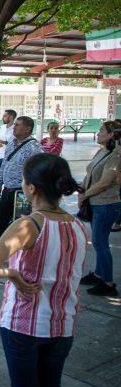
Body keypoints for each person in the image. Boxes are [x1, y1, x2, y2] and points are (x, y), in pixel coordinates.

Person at [0, 153, 87, 387]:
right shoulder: (77, 226)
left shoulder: (28, 225)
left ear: (31, 188)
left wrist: (13, 274)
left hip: (23, 325)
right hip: (63, 324)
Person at [78, 120, 121, 297]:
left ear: (111, 135)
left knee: (100, 243)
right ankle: (98, 274)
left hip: (106, 204)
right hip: (96, 203)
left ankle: (108, 282)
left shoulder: (115, 157)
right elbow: (89, 174)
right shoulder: (101, 151)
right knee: (97, 242)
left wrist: (85, 194)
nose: (98, 133)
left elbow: (104, 183)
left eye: (102, 130)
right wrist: (81, 190)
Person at [0, 116, 44, 245]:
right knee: (0, 221)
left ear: (27, 129)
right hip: (7, 190)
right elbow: (4, 164)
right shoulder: (11, 142)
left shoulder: (33, 147)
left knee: (19, 224)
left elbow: (39, 169)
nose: (15, 127)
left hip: (21, 192)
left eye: (18, 125)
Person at [0, 109, 17, 181]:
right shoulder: (2, 128)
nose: (2, 118)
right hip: (0, 156)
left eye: (4, 116)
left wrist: (4, 142)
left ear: (11, 117)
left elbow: (15, 143)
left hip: (11, 157)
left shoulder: (16, 128)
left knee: (8, 179)